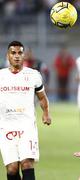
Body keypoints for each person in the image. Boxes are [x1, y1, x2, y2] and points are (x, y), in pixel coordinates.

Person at [0, 41, 52, 180]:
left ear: (24, 56)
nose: (17, 56)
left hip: (27, 126)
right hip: (5, 127)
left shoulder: (33, 75)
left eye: (20, 53)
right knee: (12, 169)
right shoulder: (1, 76)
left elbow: (42, 97)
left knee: (27, 164)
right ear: (8, 55)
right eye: (13, 53)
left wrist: (46, 113)